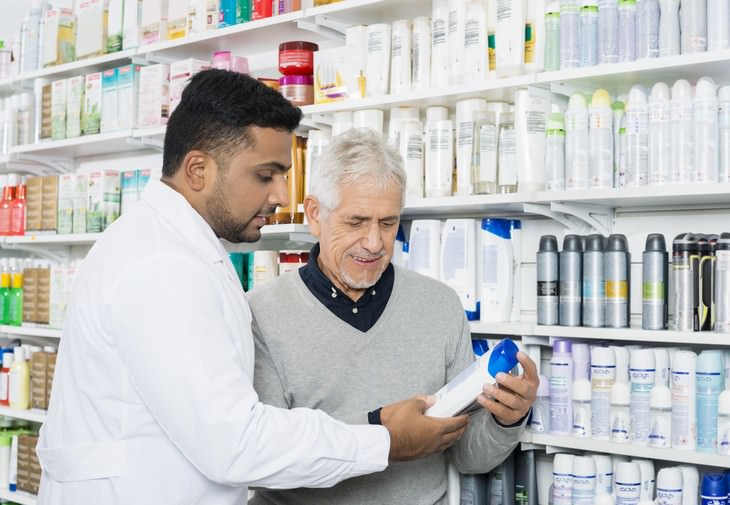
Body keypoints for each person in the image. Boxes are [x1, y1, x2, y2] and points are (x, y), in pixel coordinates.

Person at [36, 70, 470, 504]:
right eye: (266, 175)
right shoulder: (161, 266)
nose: (282, 194)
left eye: (283, 175)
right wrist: (385, 439)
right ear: (199, 170)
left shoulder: (186, 251)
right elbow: (236, 442)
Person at [248, 127, 539, 505]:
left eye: (387, 223)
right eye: (356, 222)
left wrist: (507, 419)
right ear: (315, 215)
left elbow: (469, 458)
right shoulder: (261, 314)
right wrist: (383, 434)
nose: (374, 243)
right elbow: (264, 458)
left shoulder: (439, 305)